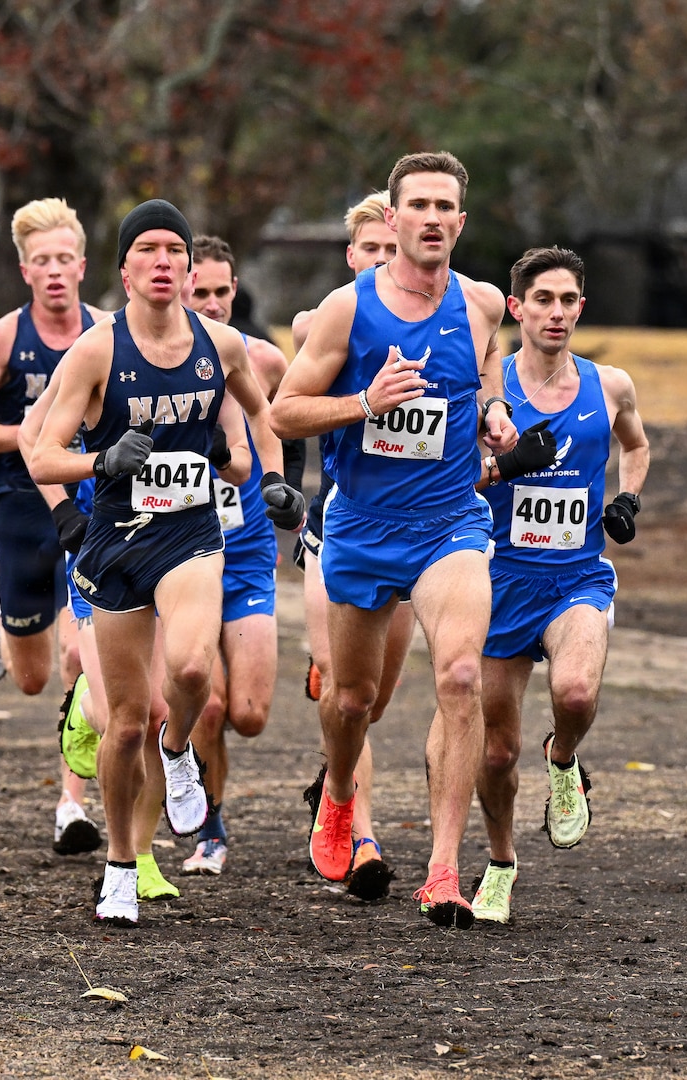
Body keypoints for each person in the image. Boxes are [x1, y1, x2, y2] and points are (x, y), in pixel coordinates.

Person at [273, 152, 550, 928]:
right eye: (418, 205)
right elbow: (284, 412)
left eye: (446, 206)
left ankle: (442, 872)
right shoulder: (346, 310)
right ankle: (336, 792)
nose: (432, 218)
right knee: (352, 697)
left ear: (462, 220)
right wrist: (365, 401)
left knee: (460, 675)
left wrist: (495, 412)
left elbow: (486, 371)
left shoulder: (482, 303)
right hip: (361, 527)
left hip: (450, 524)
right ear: (391, 220)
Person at [29, 199, 304, 925]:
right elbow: (42, 453)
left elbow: (264, 417)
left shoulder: (222, 345)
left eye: (172, 250)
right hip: (115, 542)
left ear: (189, 266)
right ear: (124, 269)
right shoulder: (96, 351)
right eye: (146, 249)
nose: (161, 261)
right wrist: (101, 458)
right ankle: (121, 864)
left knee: (189, 673)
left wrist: (272, 475)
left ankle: (179, 749)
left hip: (190, 537)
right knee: (122, 723)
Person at [469, 247, 650, 923]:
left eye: (568, 300)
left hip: (576, 576)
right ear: (516, 309)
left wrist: (628, 499)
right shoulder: (488, 394)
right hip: (496, 581)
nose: (556, 312)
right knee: (493, 749)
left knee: (574, 692)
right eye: (542, 299)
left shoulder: (610, 386)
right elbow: (449, 479)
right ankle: (499, 861)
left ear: (581, 307)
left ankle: (563, 756)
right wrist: (509, 464)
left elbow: (636, 445)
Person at [0, 198, 109, 855]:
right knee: (31, 677)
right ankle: (0, 616)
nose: (53, 271)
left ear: (82, 264)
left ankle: (71, 807)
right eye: (40, 261)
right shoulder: (2, 338)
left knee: (82, 656)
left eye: (63, 259)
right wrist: (29, 435)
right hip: (20, 503)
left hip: (88, 507)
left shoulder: (106, 332)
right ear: (25, 271)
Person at [288, 191, 412, 901]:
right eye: (370, 250)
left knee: (370, 700)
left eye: (391, 250)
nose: (382, 262)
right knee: (343, 683)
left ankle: (329, 780)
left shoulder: (436, 321)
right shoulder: (327, 319)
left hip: (414, 529)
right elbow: (290, 399)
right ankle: (359, 836)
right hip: (337, 522)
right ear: (352, 256)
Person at [179, 235, 287, 878]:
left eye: (224, 292)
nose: (214, 305)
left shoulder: (264, 360)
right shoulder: (154, 359)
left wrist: (280, 486)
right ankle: (209, 829)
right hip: (183, 546)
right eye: (202, 292)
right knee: (209, 704)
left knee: (248, 714)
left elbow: (282, 421)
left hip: (246, 547)